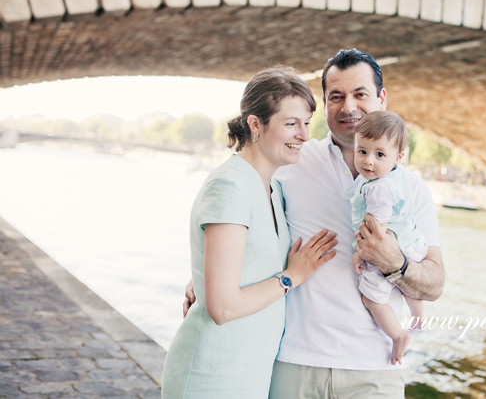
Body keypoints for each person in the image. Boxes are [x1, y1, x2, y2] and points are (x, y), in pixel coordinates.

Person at [185, 49, 445, 399]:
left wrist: (394, 262)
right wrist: (202, 274)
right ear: (325, 104)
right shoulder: (291, 159)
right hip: (294, 363)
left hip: (376, 369)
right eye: (336, 97)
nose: (349, 107)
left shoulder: (410, 189)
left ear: (381, 98)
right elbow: (244, 219)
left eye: (360, 94)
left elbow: (434, 284)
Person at [162, 69, 338, 399]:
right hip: (212, 374)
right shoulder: (230, 185)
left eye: (306, 123)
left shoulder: (273, 188)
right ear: (255, 125)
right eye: (291, 123)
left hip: (250, 371)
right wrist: (292, 277)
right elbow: (223, 307)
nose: (303, 135)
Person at [350, 111, 429, 366]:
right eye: (362, 151)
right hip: (413, 242)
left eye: (379, 155)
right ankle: (418, 314)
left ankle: (397, 335)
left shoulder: (378, 187)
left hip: (391, 245)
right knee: (405, 284)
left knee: (371, 298)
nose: (368, 161)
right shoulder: (399, 175)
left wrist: (360, 253)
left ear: (398, 157)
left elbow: (377, 227)